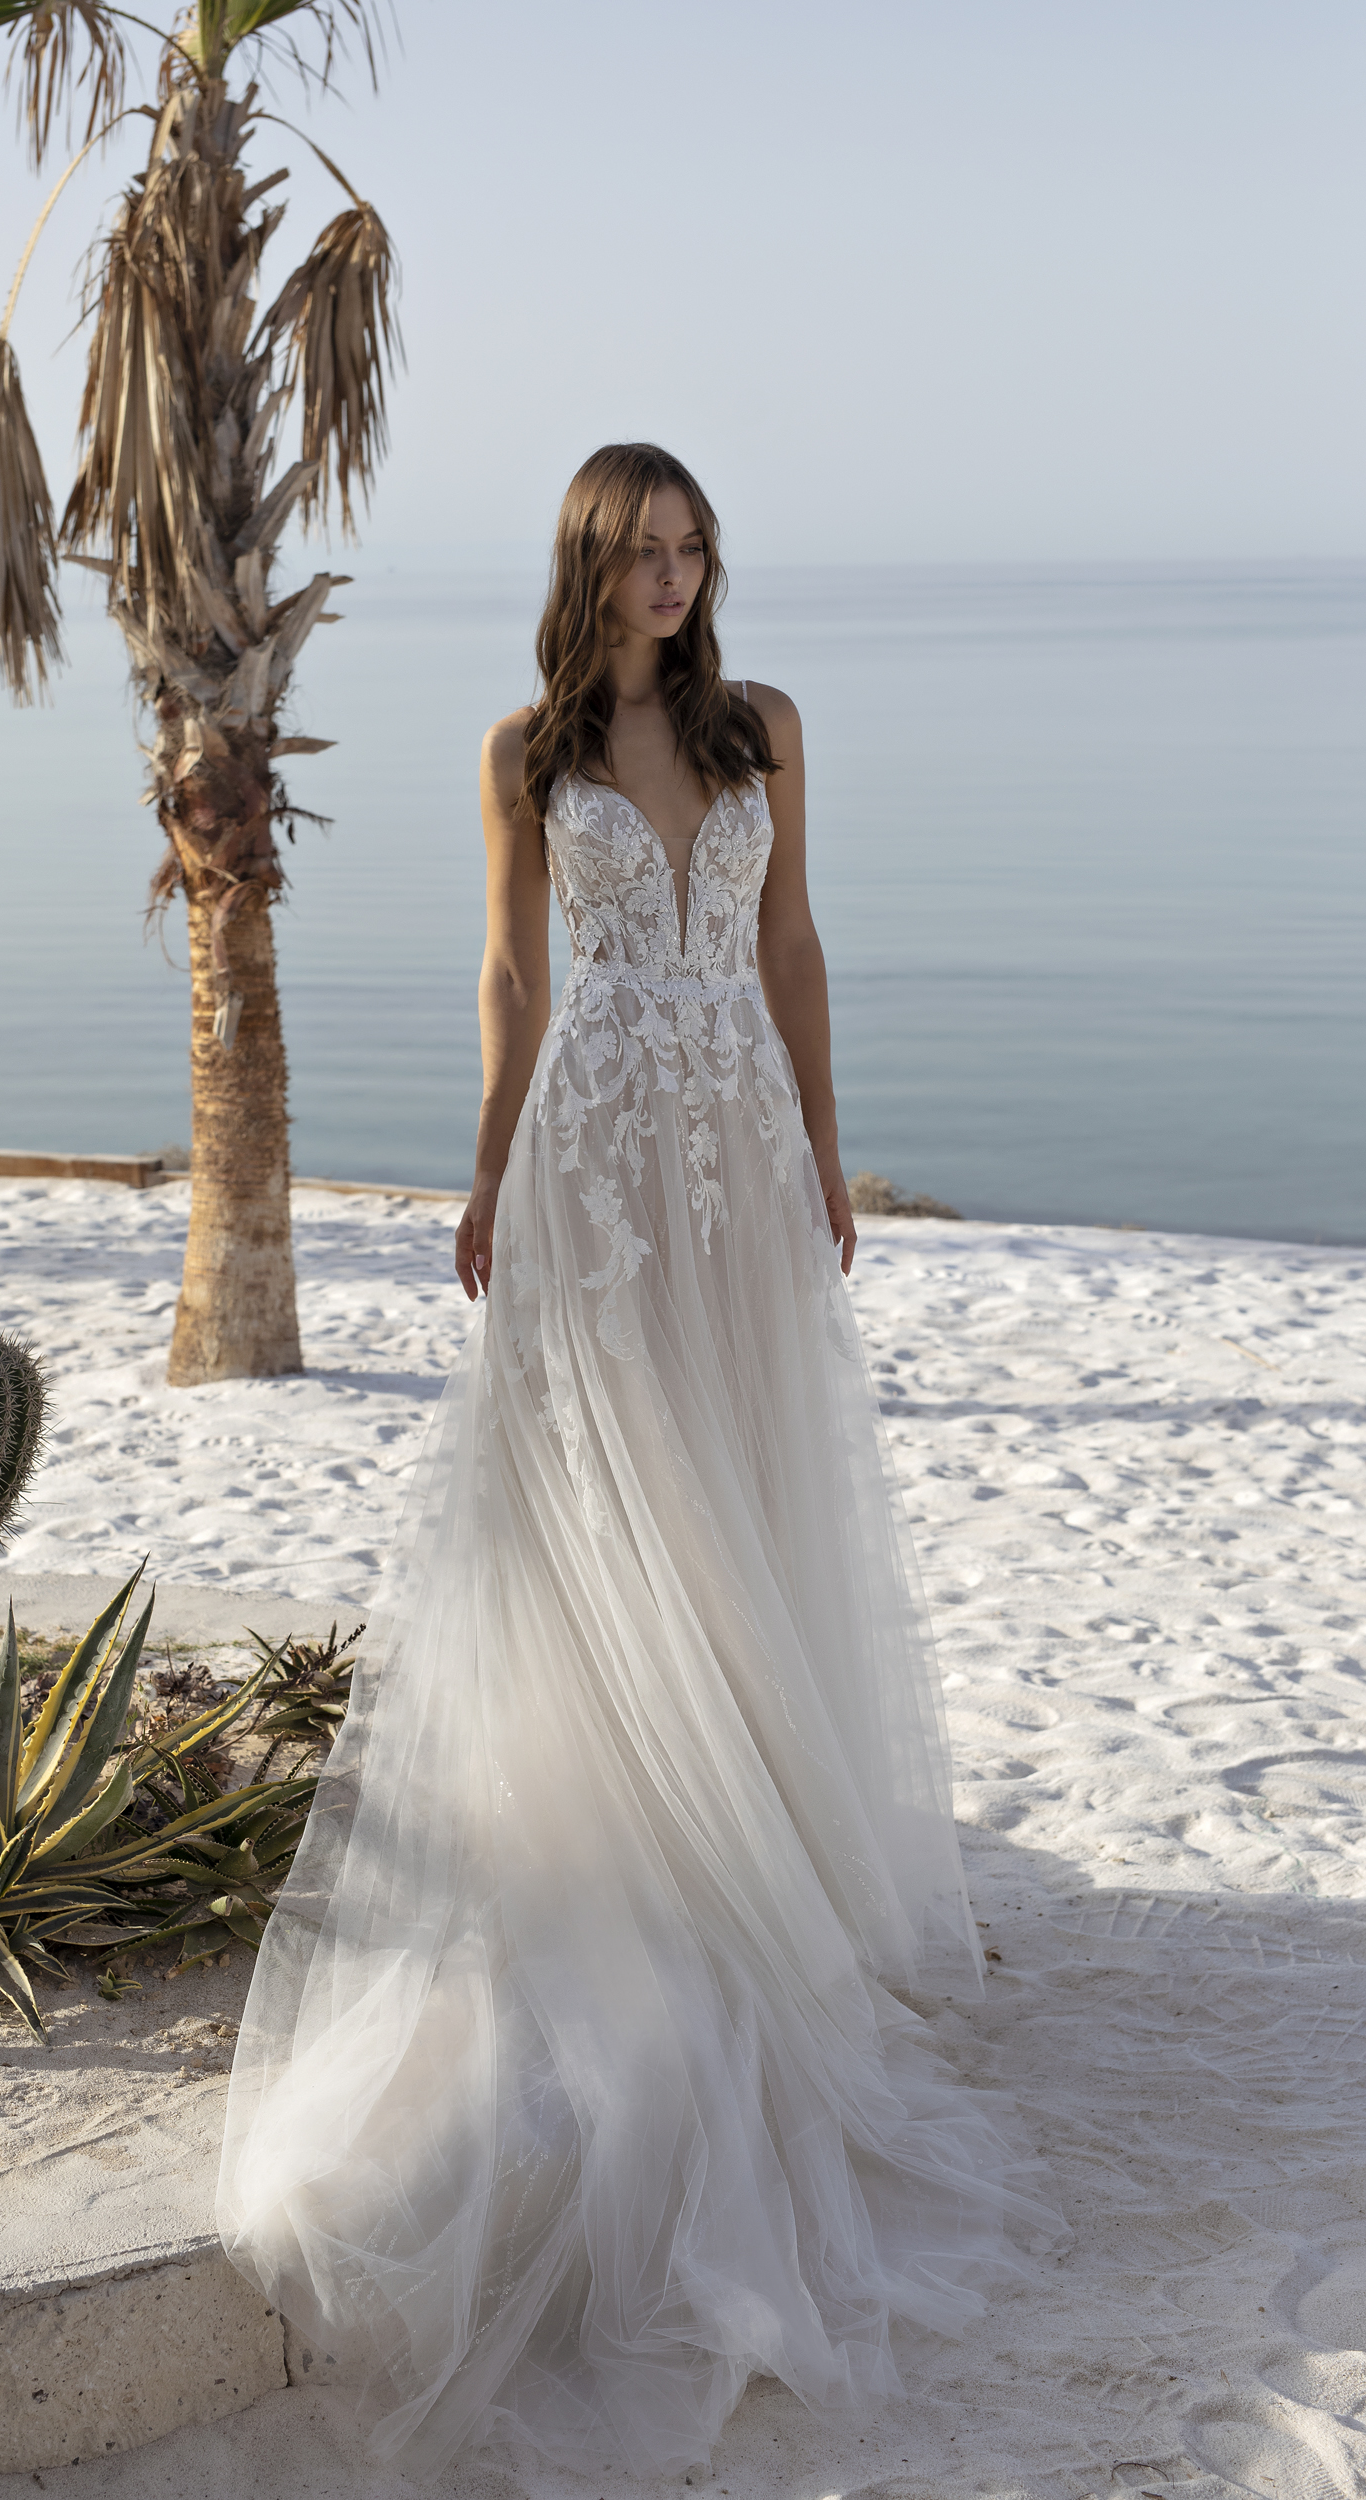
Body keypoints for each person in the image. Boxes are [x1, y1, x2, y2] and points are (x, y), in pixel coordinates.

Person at [218, 443, 1059, 2478]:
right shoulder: (519, 748)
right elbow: (515, 977)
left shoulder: (758, 724)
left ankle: (766, 1835)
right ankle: (637, 1834)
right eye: (643, 548)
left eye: (696, 548)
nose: (675, 577)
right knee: (604, 1497)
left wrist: (824, 1133)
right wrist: (491, 1159)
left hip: (738, 1153)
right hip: (595, 1148)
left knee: (743, 1481)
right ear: (586, 561)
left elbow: (791, 947)